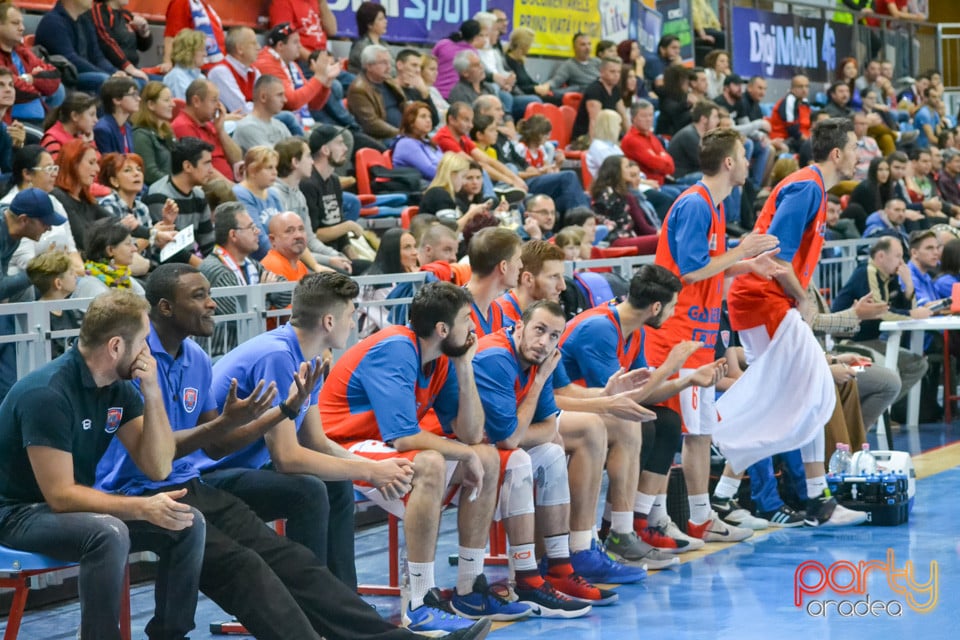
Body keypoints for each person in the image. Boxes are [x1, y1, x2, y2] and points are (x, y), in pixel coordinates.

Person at [98, 265, 492, 640]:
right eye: (199, 296)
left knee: (299, 543)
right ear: (165, 307)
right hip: (147, 490)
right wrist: (366, 469)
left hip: (192, 481)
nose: (213, 303)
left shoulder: (201, 359)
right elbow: (261, 456)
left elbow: (230, 443)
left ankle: (371, 625)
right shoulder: (142, 360)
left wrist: (291, 423)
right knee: (266, 544)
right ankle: (322, 620)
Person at [0, 289, 206, 640]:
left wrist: (153, 391)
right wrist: (142, 507)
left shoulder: (118, 388)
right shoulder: (47, 394)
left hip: (65, 510)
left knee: (186, 522)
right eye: (143, 341)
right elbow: (61, 496)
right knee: (107, 534)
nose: (148, 351)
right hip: (17, 514)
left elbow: (158, 468)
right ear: (115, 347)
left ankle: (171, 635)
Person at [319, 281, 519, 633]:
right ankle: (420, 602)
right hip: (338, 445)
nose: (474, 327)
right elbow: (403, 438)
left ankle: (469, 588)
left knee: (487, 456)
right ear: (443, 329)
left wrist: (464, 366)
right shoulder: (397, 347)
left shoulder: (440, 359)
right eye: (466, 319)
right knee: (431, 462)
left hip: (376, 446)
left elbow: (472, 434)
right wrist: (462, 453)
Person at [199, 271, 414, 589]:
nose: (352, 324)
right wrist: (369, 471)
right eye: (350, 316)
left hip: (246, 468)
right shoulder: (279, 356)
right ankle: (309, 602)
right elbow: (288, 459)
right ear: (329, 322)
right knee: (308, 489)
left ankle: (344, 602)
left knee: (336, 484)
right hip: (208, 477)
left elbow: (315, 442)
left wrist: (374, 469)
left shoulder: (308, 357)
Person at [717, 118, 869, 527]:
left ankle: (725, 496)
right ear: (837, 154)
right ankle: (816, 500)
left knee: (795, 395)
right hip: (763, 300)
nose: (860, 155)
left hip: (764, 301)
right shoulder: (805, 187)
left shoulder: (813, 187)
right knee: (806, 391)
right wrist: (803, 301)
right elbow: (776, 259)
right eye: (856, 147)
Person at [642, 128, 783, 543]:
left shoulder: (715, 206)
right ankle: (654, 518)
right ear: (728, 163)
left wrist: (746, 266)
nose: (747, 162)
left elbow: (709, 264)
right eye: (743, 155)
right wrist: (742, 251)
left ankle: (702, 516)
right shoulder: (696, 204)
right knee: (678, 432)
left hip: (700, 335)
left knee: (701, 430)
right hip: (677, 334)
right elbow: (687, 271)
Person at [472, 301, 622, 614]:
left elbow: (550, 428)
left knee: (552, 453)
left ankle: (559, 569)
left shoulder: (541, 359)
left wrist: (519, 432)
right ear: (518, 327)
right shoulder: (496, 356)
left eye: (555, 336)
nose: (545, 342)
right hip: (459, 451)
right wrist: (539, 382)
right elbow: (510, 438)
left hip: (491, 451)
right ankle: (526, 578)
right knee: (520, 459)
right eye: (539, 330)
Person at [272, 136, 351, 273]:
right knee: (340, 277)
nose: (312, 162)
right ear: (295, 162)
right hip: (286, 264)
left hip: (306, 260)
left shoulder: (299, 195)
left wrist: (335, 255)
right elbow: (289, 249)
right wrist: (328, 260)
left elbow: (310, 240)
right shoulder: (275, 195)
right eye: (308, 157)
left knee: (350, 267)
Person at [2, 145, 82, 277]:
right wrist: (60, 267)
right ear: (27, 173)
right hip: (32, 281)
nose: (55, 173)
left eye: (55, 168)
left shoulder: (55, 202)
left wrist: (77, 269)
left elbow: (71, 248)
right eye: (48, 169)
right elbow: (27, 265)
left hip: (63, 276)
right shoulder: (11, 209)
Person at [143, 137, 216, 264]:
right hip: (166, 267)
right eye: (206, 163)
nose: (211, 170)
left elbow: (208, 243)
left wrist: (217, 266)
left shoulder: (199, 195)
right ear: (187, 166)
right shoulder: (159, 195)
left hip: (193, 264)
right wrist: (206, 268)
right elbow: (171, 248)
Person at [300, 125, 370, 260]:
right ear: (325, 150)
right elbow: (313, 235)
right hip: (318, 257)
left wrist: (353, 258)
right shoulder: (308, 184)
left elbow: (339, 223)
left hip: (338, 254)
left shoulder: (334, 180)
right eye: (339, 143)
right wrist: (348, 226)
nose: (345, 148)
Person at [97, 152, 178, 263]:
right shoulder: (108, 205)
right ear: (114, 181)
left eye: (139, 169)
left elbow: (152, 252)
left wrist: (167, 224)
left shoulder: (142, 208)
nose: (137, 174)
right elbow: (114, 254)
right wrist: (152, 234)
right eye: (128, 170)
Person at [35, 0, 121, 93]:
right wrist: (108, 75)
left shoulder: (85, 21)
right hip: (66, 78)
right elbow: (70, 60)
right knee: (104, 80)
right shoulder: (52, 22)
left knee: (127, 81)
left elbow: (97, 56)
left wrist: (115, 72)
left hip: (86, 73)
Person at [0, 3, 64, 122]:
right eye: (15, 23)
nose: (22, 28)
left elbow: (54, 75)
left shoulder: (21, 51)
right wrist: (40, 86)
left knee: (59, 88)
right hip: (14, 122)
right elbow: (14, 89)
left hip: (39, 117)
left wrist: (30, 79)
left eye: (22, 23)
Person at [171, 78, 242, 182]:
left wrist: (221, 131)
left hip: (230, 184)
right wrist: (233, 189)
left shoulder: (210, 124)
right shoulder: (182, 126)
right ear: (196, 101)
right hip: (214, 189)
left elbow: (237, 159)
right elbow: (202, 170)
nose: (218, 106)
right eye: (214, 100)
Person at [51, 139, 111, 253]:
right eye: (91, 162)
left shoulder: (85, 199)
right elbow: (84, 241)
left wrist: (151, 232)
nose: (97, 169)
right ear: (73, 163)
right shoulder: (58, 196)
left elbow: (116, 222)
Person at [590, 155, 658, 253]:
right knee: (662, 240)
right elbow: (643, 227)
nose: (629, 171)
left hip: (623, 238)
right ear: (616, 170)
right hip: (615, 240)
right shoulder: (612, 194)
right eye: (626, 167)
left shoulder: (605, 192)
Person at [359, 227, 419, 337]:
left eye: (415, 246)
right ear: (393, 252)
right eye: (407, 247)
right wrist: (413, 282)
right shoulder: (380, 281)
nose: (415, 252)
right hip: (365, 339)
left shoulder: (403, 275)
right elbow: (395, 321)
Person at [347, 44, 407, 144]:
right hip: (381, 138)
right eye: (383, 63)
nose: (389, 67)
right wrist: (400, 133)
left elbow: (404, 105)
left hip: (402, 132)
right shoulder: (359, 89)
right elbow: (371, 124)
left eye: (389, 62)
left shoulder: (389, 81)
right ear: (369, 66)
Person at [25, 250, 81, 358]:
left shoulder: (69, 311)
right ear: (58, 283)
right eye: (71, 272)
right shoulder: (37, 317)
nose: (76, 275)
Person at [233, 146, 282, 261]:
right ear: (252, 170)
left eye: (275, 167)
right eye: (269, 168)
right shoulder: (240, 194)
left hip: (281, 255)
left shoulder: (273, 194)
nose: (275, 172)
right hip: (258, 261)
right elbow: (259, 239)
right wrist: (287, 259)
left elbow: (287, 231)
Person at [74, 217, 146, 297]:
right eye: (128, 244)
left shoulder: (123, 278)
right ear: (110, 250)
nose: (135, 249)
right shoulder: (93, 286)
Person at [91, 0, 152, 82]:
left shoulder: (125, 14)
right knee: (141, 84)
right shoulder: (100, 11)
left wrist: (144, 31)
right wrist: (129, 67)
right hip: (115, 68)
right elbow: (106, 41)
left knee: (162, 82)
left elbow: (143, 47)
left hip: (133, 68)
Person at [207, 26, 262, 115]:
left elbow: (266, 104)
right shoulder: (220, 72)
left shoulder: (254, 71)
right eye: (254, 43)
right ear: (240, 49)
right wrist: (262, 109)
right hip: (231, 125)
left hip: (253, 120)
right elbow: (241, 110)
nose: (259, 47)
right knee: (286, 117)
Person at [621, 100, 675, 187]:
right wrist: (662, 157)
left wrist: (660, 158)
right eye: (644, 116)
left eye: (650, 115)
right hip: (645, 185)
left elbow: (671, 166)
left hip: (662, 182)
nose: (648, 119)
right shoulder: (631, 139)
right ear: (633, 118)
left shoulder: (652, 137)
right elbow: (655, 165)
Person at [132, 82, 177, 185]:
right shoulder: (141, 136)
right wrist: (178, 185)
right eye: (167, 100)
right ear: (151, 104)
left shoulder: (167, 131)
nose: (173, 104)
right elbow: (150, 174)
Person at [572, 57, 627, 141]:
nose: (616, 75)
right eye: (612, 71)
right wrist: (595, 147)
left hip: (607, 137)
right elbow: (594, 121)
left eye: (618, 72)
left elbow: (623, 115)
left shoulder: (615, 90)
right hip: (585, 137)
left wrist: (630, 139)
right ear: (602, 72)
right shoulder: (595, 91)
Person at [233, 76, 293, 152]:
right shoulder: (248, 127)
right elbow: (271, 159)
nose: (285, 100)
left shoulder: (280, 125)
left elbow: (294, 153)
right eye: (279, 95)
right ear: (263, 97)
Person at [162, 0, 225, 72]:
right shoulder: (181, 2)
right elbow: (172, 35)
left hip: (214, 66)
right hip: (199, 68)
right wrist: (167, 62)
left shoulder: (201, 3)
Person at [668, 100, 720, 180]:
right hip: (680, 177)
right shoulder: (689, 136)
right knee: (718, 175)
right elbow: (706, 163)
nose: (718, 121)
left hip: (694, 172)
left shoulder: (703, 134)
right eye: (715, 117)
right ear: (704, 119)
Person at [392, 101, 444, 181]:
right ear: (411, 121)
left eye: (429, 117)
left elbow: (445, 163)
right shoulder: (406, 144)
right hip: (418, 189)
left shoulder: (430, 143)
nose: (428, 120)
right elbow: (430, 171)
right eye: (423, 117)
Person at [40, 91, 99, 159]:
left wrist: (89, 145)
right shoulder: (52, 140)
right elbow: (58, 169)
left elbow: (98, 166)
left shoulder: (82, 138)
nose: (96, 120)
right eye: (91, 115)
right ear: (75, 116)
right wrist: (86, 147)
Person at [94, 76, 140, 155]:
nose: (139, 99)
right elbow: (109, 164)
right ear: (117, 100)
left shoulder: (127, 126)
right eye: (133, 94)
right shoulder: (103, 129)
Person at [260, 210, 313, 281]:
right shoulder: (273, 266)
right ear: (272, 240)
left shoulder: (300, 265)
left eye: (301, 229)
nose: (299, 235)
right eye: (289, 231)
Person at [768, 75, 812, 153]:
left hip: (797, 138)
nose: (804, 90)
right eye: (800, 87)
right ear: (792, 88)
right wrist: (809, 142)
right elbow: (792, 130)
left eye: (806, 86)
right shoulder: (789, 101)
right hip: (784, 139)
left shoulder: (804, 101)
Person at [162, 29, 206, 100]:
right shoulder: (176, 76)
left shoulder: (201, 77)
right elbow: (186, 106)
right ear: (189, 52)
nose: (205, 54)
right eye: (201, 50)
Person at [347, 1, 388, 75]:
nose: (385, 21)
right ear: (370, 24)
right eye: (380, 19)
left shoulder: (384, 44)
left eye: (384, 18)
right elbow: (374, 72)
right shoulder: (361, 46)